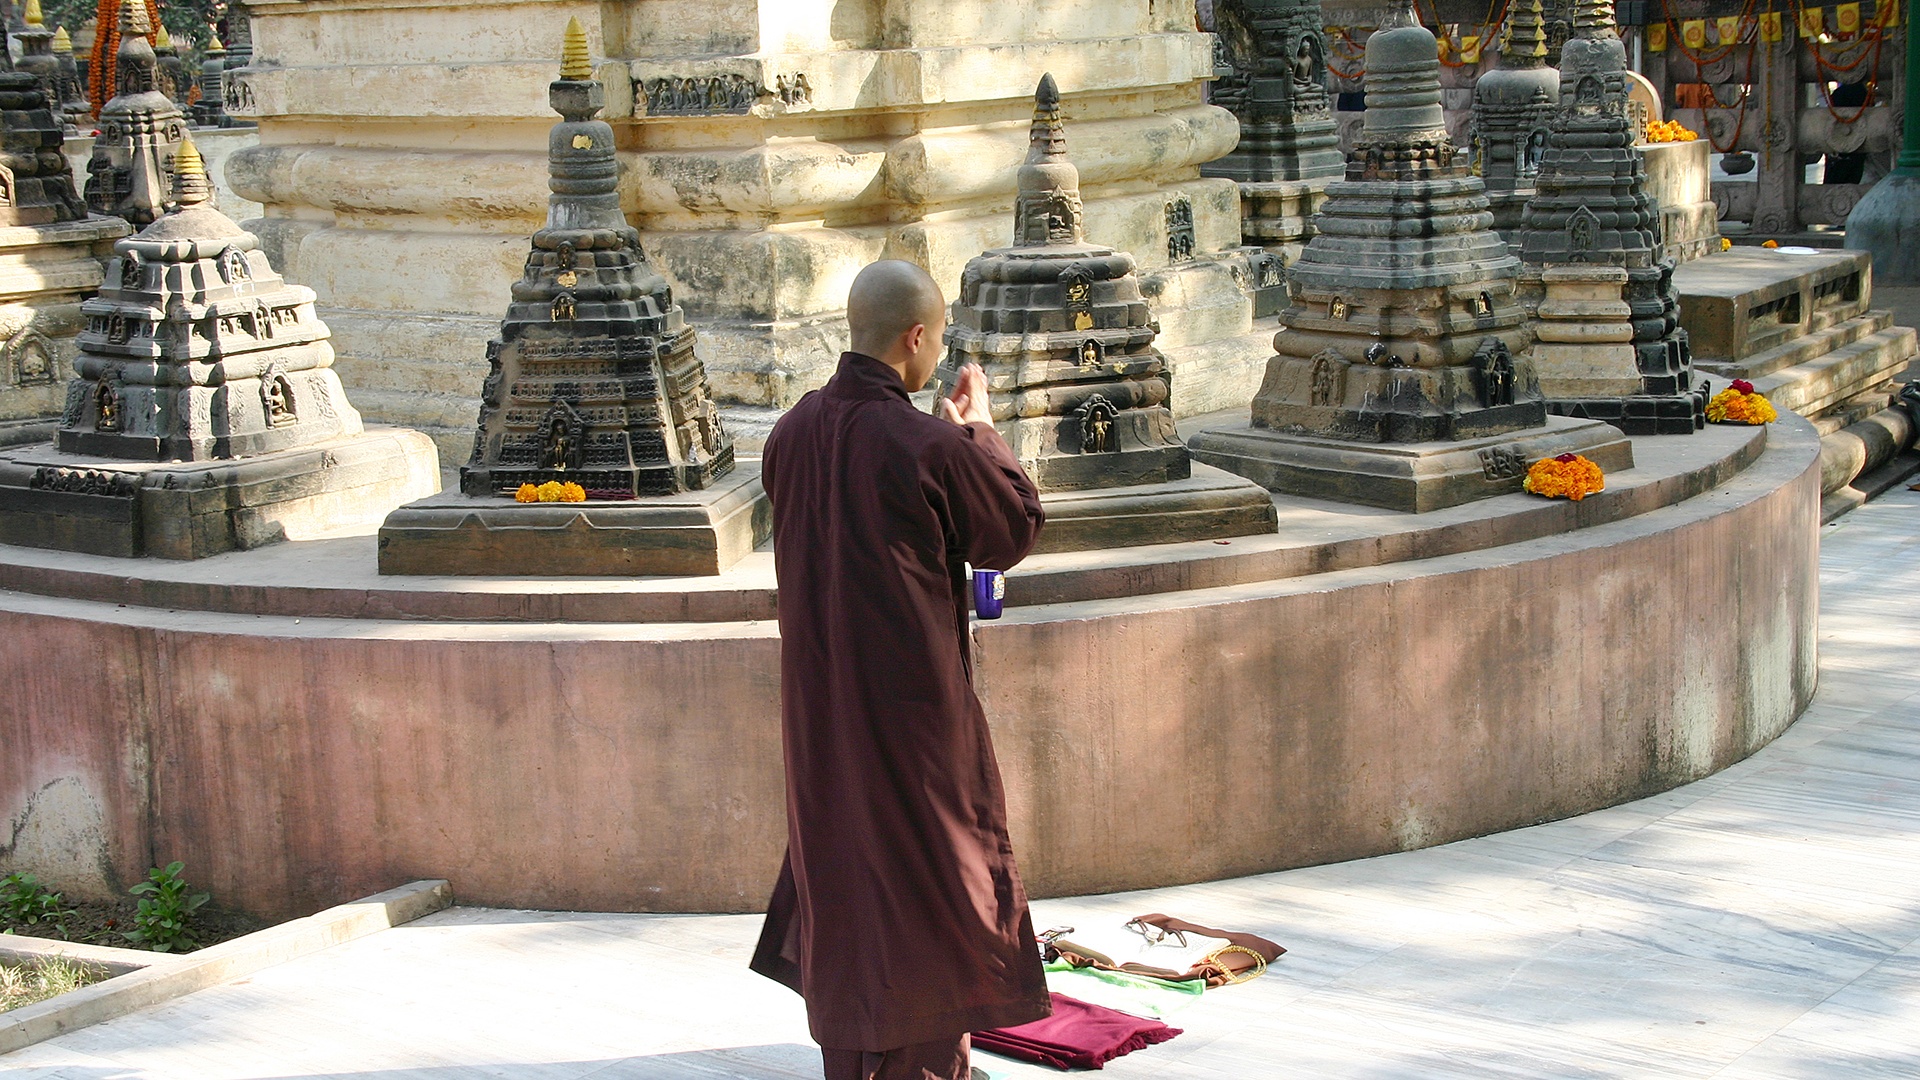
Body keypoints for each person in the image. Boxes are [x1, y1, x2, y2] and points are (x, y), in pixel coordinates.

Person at [750, 261, 1051, 1080]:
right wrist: (980, 432)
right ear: (917, 338)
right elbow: (1010, 531)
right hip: (915, 718)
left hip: (820, 711)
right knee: (933, 884)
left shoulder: (789, 433)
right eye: (939, 333)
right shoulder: (929, 445)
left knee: (850, 875)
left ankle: (865, 1062)